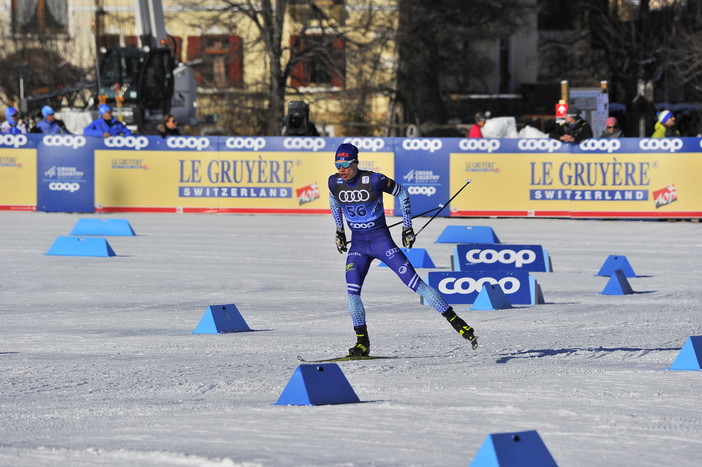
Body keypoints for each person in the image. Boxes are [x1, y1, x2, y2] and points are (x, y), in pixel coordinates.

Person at [328, 143, 478, 357]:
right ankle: (362, 342)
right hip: (359, 247)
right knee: (352, 293)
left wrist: (407, 226)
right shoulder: (334, 182)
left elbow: (403, 193)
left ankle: (457, 322)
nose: (341, 169)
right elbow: (334, 201)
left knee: (417, 285)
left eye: (345, 164)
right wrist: (339, 231)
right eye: (337, 165)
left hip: (382, 244)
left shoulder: (374, 179)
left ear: (355, 163)